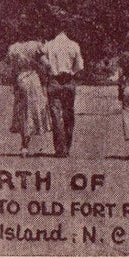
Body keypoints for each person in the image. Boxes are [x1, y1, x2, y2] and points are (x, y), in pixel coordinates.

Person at [42, 21, 84, 158]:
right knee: (68, 114)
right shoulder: (73, 45)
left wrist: (49, 67)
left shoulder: (49, 45)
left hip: (54, 81)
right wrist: (72, 72)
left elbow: (39, 55)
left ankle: (59, 148)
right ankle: (67, 146)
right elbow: (79, 66)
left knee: (55, 115)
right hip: (68, 81)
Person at [6, 39, 51, 157]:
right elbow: (46, 64)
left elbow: (12, 70)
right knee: (34, 109)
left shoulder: (14, 48)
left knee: (22, 111)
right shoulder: (35, 46)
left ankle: (24, 144)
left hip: (20, 79)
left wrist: (14, 84)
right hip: (32, 80)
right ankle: (26, 142)